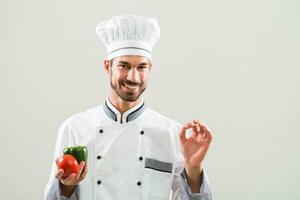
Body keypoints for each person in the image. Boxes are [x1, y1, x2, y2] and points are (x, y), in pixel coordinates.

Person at [44, 15, 213, 200]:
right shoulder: (75, 127)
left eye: (141, 67)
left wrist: (193, 168)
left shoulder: (172, 133)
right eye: (124, 66)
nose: (133, 77)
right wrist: (67, 187)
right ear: (107, 66)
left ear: (150, 68)